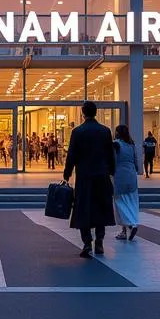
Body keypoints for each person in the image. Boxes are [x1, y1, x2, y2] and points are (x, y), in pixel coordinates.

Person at [62, 101, 116, 258]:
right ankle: (99, 242)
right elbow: (110, 154)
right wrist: (112, 171)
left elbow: (71, 155)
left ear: (82, 113)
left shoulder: (78, 132)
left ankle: (87, 243)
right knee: (101, 208)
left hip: (84, 176)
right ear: (96, 112)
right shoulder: (105, 131)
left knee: (83, 209)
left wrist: (67, 173)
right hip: (101, 175)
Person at [112, 124, 142, 241]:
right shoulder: (131, 144)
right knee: (131, 201)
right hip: (131, 175)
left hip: (120, 175)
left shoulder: (116, 144)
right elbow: (136, 160)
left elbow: (113, 161)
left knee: (119, 202)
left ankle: (128, 226)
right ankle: (132, 223)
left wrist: (110, 173)